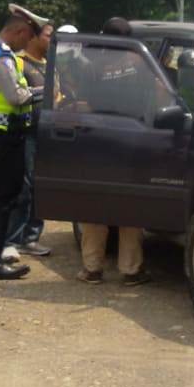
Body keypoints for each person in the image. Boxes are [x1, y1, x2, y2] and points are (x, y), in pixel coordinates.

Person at [0, 4, 48, 281]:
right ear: (18, 31)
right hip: (5, 134)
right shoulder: (1, 58)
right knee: (1, 200)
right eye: (26, 38)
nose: (26, 44)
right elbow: (16, 97)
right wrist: (46, 89)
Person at [77, 16, 153, 287]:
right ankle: (131, 270)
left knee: (94, 207)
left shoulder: (92, 67)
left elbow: (83, 106)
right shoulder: (142, 64)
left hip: (98, 143)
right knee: (129, 207)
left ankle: (92, 269)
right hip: (132, 142)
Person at [3, 22, 53, 261]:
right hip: (26, 131)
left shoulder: (51, 65)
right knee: (24, 188)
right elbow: (16, 96)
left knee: (40, 187)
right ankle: (13, 239)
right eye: (48, 35)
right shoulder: (19, 62)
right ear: (33, 37)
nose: (52, 41)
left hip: (48, 132)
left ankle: (31, 237)